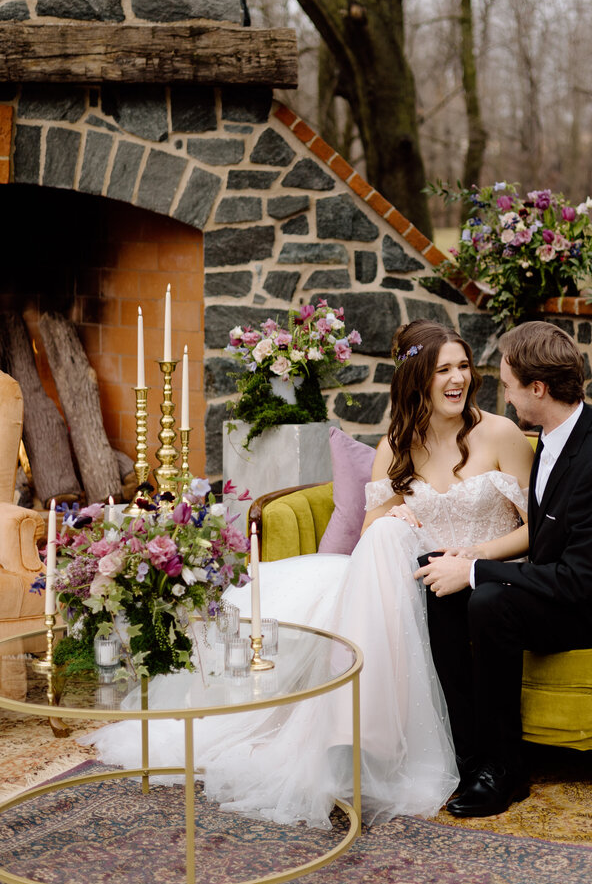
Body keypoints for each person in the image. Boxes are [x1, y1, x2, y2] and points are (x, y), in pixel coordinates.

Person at [83, 319, 534, 827]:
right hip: (421, 577)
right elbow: (371, 526)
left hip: (482, 573)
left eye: (463, 367)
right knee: (380, 539)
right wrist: (397, 515)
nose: (458, 379)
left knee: (366, 570)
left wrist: (471, 557)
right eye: (442, 369)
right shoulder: (397, 444)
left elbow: (534, 531)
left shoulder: (500, 433)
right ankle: (355, 736)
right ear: (417, 380)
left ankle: (365, 731)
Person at [416, 320, 592, 819]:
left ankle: (506, 769)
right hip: (555, 586)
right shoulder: (553, 436)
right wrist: (462, 564)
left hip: (589, 608)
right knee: (437, 575)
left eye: (508, 385)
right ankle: (468, 754)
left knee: (489, 599)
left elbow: (579, 581)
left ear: (538, 389)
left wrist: (478, 569)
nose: (504, 396)